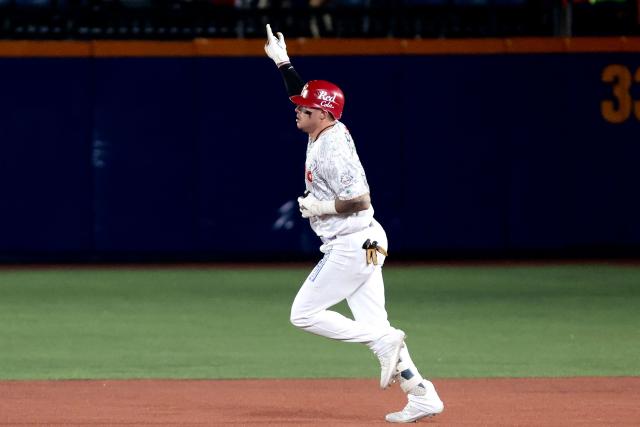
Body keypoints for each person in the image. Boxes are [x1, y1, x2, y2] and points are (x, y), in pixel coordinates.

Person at [264, 24, 444, 423]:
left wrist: (322, 208)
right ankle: (422, 394)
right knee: (378, 329)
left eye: (304, 108)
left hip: (350, 242)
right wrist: (283, 62)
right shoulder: (324, 124)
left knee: (304, 314)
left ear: (323, 114)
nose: (297, 109)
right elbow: (304, 95)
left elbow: (362, 199)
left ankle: (384, 339)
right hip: (367, 243)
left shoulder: (332, 149)